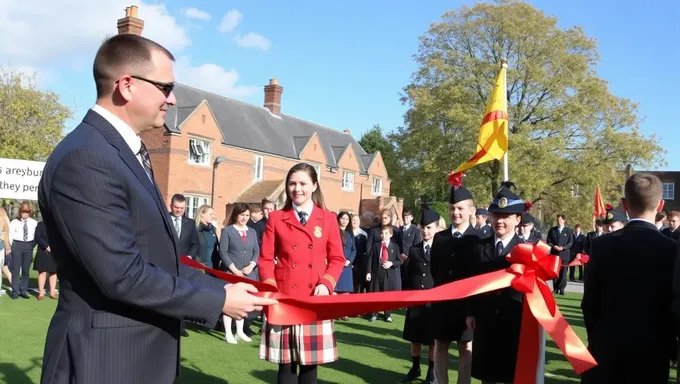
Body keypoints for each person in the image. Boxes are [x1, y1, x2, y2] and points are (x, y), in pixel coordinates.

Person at [37, 33, 276, 384]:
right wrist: (217, 300)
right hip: (104, 361)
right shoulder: (86, 158)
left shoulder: (123, 152)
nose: (173, 98)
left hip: (137, 357)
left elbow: (159, 256)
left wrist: (227, 287)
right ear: (127, 86)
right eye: (165, 87)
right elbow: (123, 275)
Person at [582, 173, 677, 383]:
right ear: (660, 205)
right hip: (652, 352)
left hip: (606, 348)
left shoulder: (601, 245)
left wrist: (596, 338)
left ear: (624, 204)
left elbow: (589, 302)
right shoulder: (673, 250)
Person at [258, 163, 345, 384]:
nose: (297, 189)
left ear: (314, 186)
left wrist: (326, 284)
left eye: (303, 184)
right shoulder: (277, 218)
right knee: (285, 366)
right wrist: (271, 290)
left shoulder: (328, 218)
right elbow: (266, 259)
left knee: (309, 367)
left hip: (313, 299)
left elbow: (336, 259)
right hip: (283, 298)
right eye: (292, 183)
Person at [465, 181, 525, 384]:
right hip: (485, 318)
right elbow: (472, 282)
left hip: (514, 320)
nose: (499, 221)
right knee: (486, 373)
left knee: (511, 372)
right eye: (496, 216)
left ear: (517, 219)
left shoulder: (527, 250)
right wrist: (471, 312)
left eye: (505, 217)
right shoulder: (478, 247)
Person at [430, 179, 479, 384]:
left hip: (467, 306)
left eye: (460, 208)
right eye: (452, 208)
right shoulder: (440, 238)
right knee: (440, 345)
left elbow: (478, 277)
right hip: (443, 303)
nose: (455, 212)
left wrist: (472, 309)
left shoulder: (478, 239)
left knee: (465, 349)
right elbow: (435, 269)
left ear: (471, 211)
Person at [401, 209, 441, 384]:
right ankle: (415, 367)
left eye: (429, 228)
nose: (426, 231)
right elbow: (408, 274)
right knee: (414, 336)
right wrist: (405, 296)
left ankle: (431, 372)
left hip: (434, 302)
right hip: (415, 300)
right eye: (423, 227)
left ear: (437, 228)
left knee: (432, 339)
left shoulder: (441, 249)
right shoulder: (414, 249)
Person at [219, 202, 260, 344]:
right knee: (230, 302)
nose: (245, 218)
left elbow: (256, 251)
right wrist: (234, 270)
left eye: (247, 215)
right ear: (236, 215)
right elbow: (223, 252)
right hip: (231, 273)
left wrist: (252, 265)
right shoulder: (227, 231)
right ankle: (228, 333)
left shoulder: (252, 232)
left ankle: (240, 332)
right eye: (242, 215)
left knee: (243, 302)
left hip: (248, 273)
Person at [366, 225, 402, 323]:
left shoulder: (395, 246)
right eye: (382, 233)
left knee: (387, 295)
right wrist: (368, 272)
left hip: (388, 275)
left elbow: (399, 260)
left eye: (386, 233)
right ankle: (374, 314)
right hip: (377, 273)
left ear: (391, 234)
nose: (383, 235)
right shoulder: (376, 245)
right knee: (376, 294)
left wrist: (391, 263)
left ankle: (387, 314)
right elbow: (370, 259)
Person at [9, 202, 38, 299]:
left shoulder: (34, 223)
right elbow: (10, 235)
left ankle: (23, 290)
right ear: (20, 212)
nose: (25, 214)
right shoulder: (14, 222)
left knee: (26, 270)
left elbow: (36, 236)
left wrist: (31, 245)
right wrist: (12, 246)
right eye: (23, 212)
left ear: (30, 212)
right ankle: (15, 291)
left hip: (28, 246)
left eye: (27, 212)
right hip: (17, 245)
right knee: (15, 270)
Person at [547, 214, 574, 295]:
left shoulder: (569, 230)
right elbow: (549, 241)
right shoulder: (552, 230)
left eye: (560, 220)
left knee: (563, 273)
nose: (559, 222)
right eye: (558, 220)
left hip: (564, 255)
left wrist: (564, 247)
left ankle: (561, 288)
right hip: (554, 255)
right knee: (555, 272)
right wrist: (554, 246)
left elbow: (570, 242)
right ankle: (555, 288)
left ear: (564, 220)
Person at [33, 220, 59, 300]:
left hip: (55, 251)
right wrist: (46, 246)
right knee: (42, 272)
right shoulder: (40, 224)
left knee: (53, 272)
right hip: (43, 250)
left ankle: (52, 293)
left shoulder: (57, 224)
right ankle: (41, 293)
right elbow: (37, 236)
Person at [334, 211, 356, 300]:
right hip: (335, 265)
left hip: (347, 266)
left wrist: (349, 260)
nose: (344, 221)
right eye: (343, 218)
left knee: (345, 292)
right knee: (334, 289)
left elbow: (354, 250)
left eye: (347, 219)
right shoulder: (333, 232)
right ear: (338, 219)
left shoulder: (350, 234)